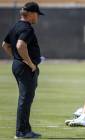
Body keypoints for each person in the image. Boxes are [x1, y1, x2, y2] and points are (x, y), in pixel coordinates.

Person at [1, 2, 44, 139]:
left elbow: (5, 45)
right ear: (31, 14)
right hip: (25, 68)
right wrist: (30, 64)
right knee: (25, 99)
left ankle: (26, 129)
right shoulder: (27, 28)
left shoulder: (16, 26)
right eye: (37, 14)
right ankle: (21, 132)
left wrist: (17, 58)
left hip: (18, 65)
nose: (38, 17)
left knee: (25, 99)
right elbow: (20, 45)